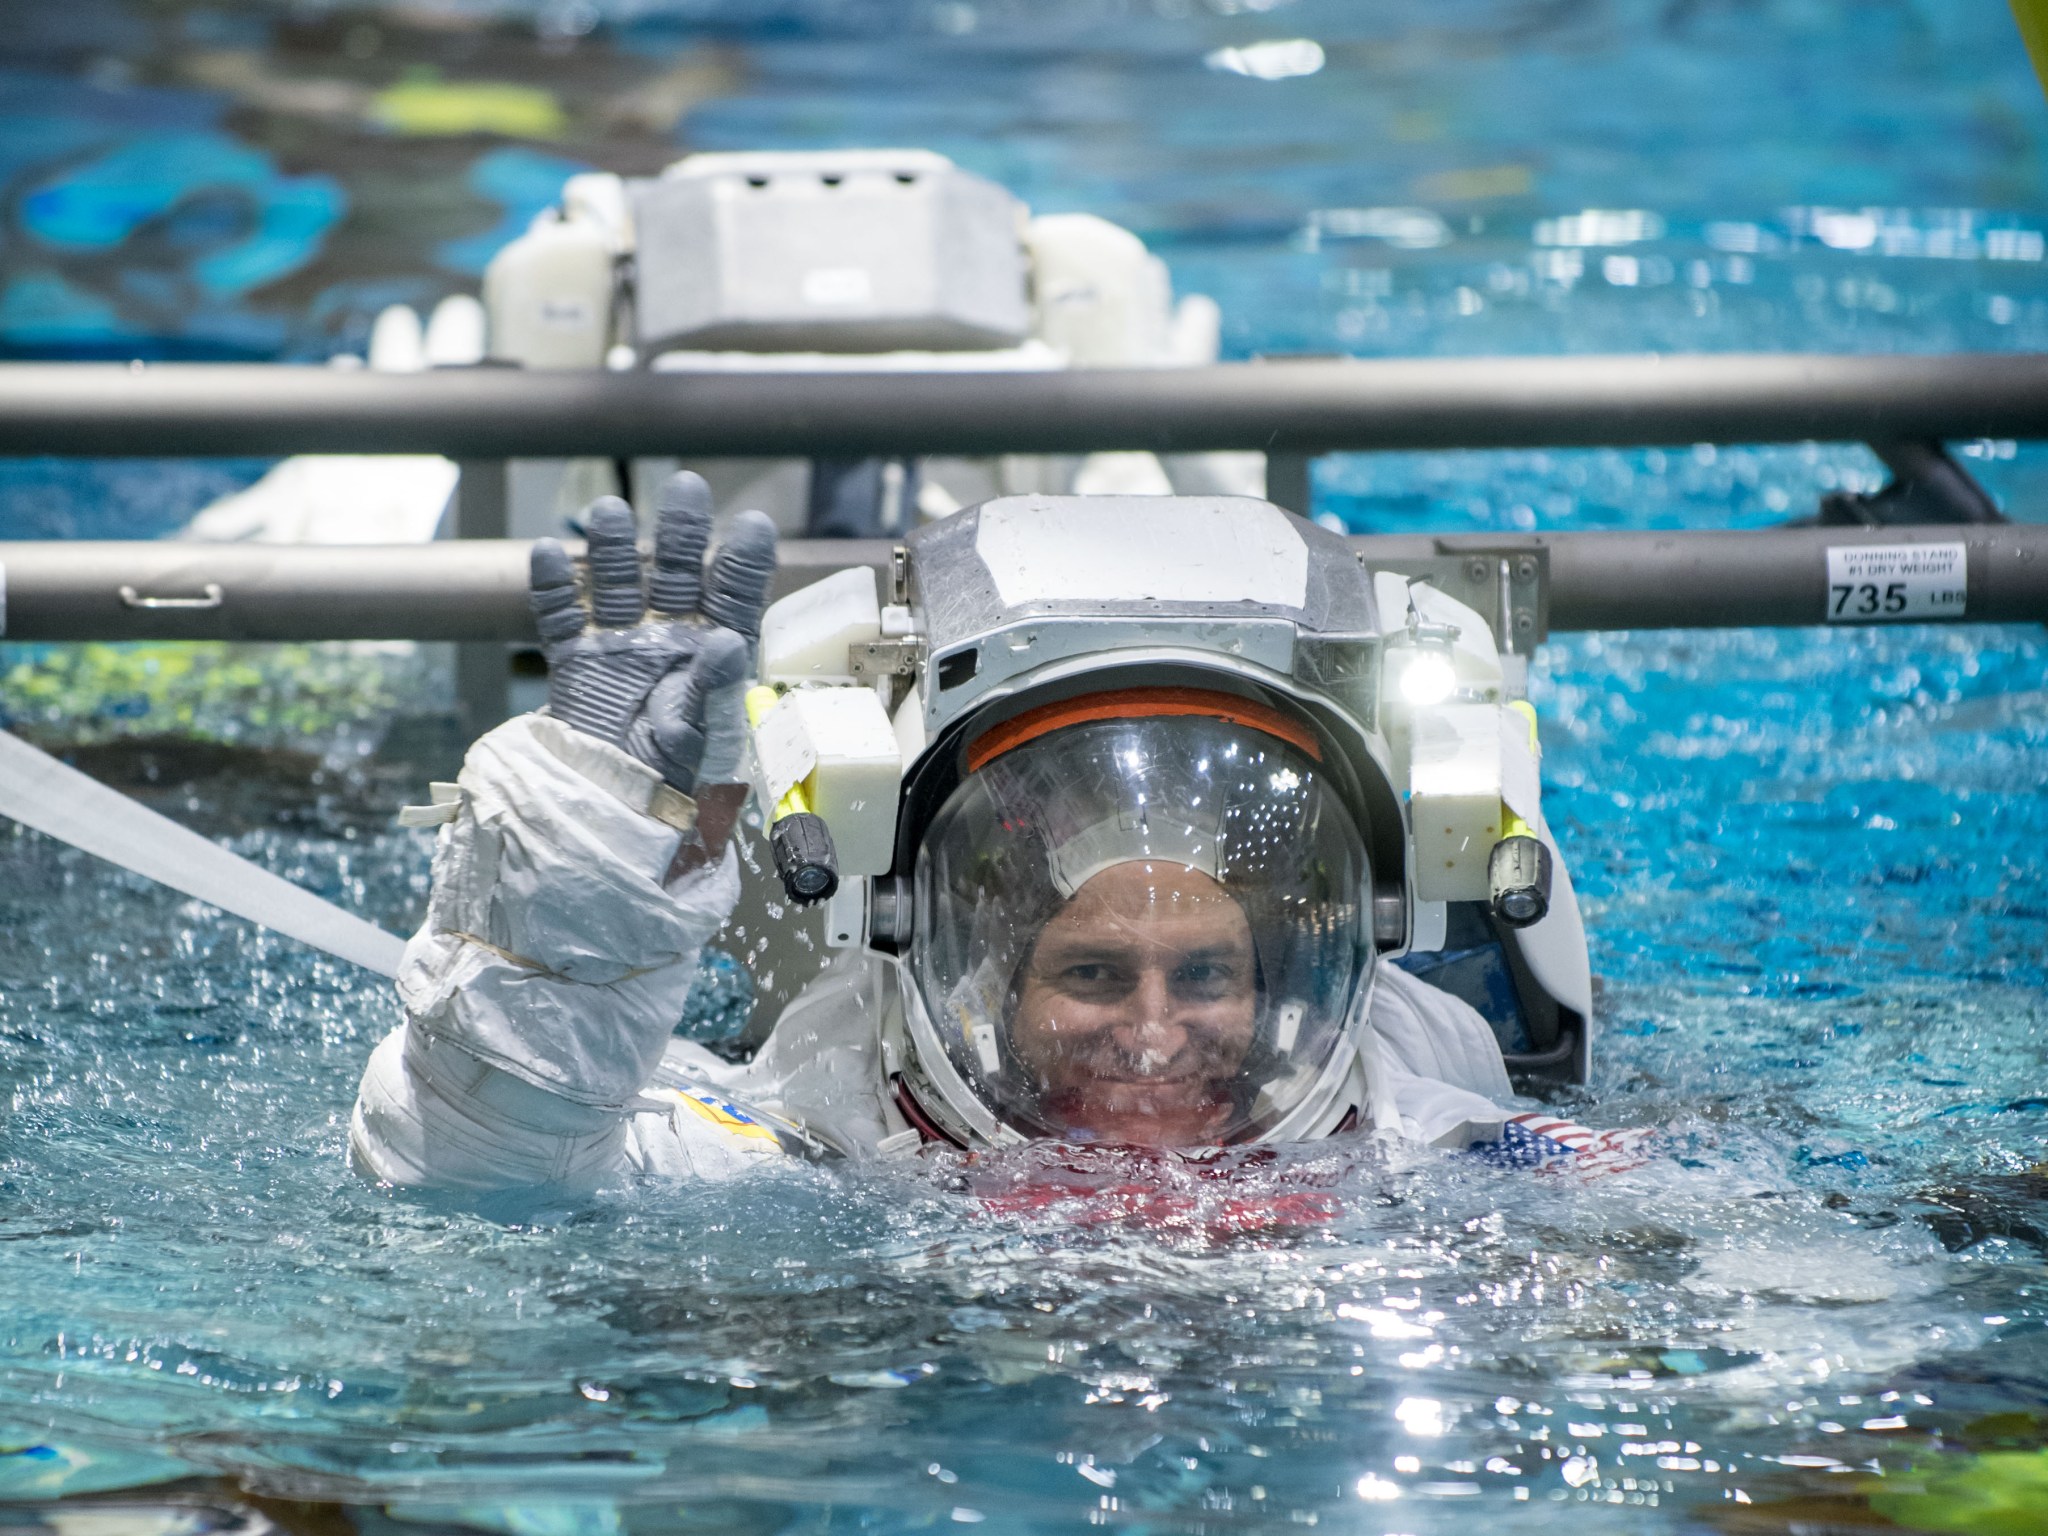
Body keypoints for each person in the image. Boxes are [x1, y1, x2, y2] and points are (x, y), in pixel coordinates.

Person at [349, 475, 1593, 1193]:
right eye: (1093, 973)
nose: (1154, 1036)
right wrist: (587, 865)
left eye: (1203, 973)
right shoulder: (830, 1143)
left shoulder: (1429, 1134)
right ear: (972, 964)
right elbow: (477, 1183)